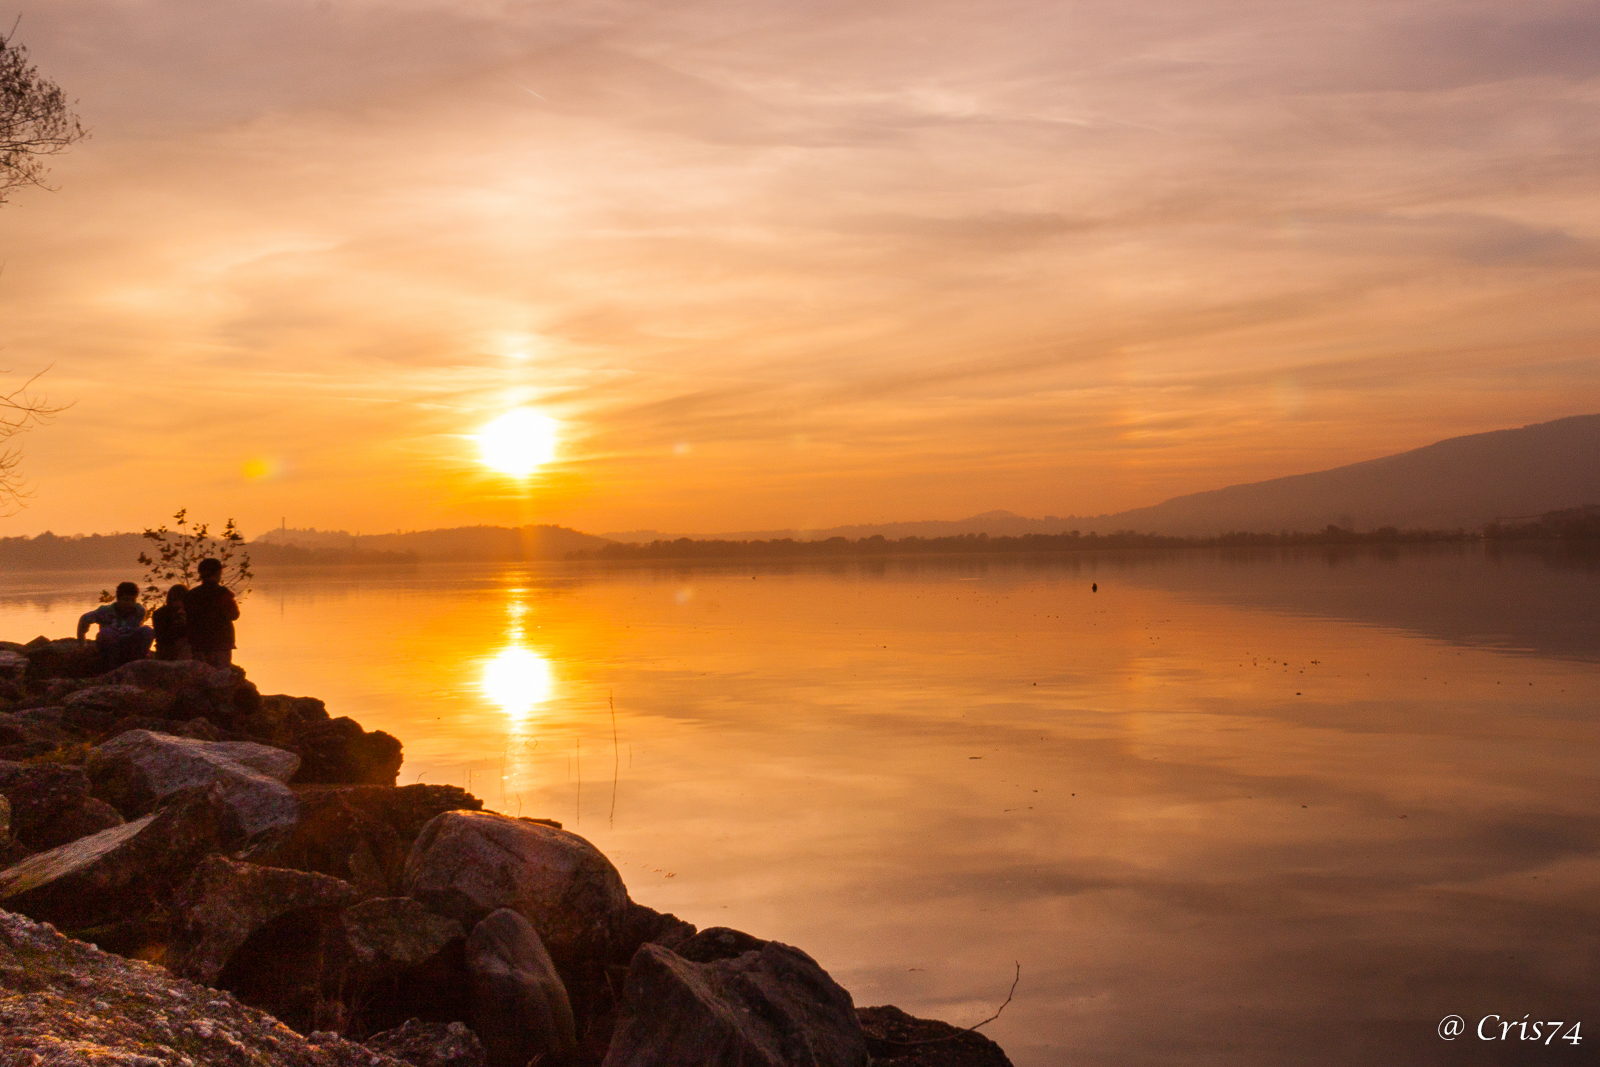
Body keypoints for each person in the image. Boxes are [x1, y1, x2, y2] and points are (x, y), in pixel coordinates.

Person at [77, 581, 154, 667]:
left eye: (132, 600)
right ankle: (111, 666)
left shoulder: (139, 610)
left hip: (130, 643)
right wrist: (82, 644)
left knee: (147, 630)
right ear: (118, 599)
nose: (129, 603)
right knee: (105, 633)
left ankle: (139, 662)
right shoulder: (105, 611)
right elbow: (84, 619)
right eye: (126, 600)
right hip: (111, 644)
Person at [185, 557, 240, 667]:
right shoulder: (224, 593)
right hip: (221, 642)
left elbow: (188, 617)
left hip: (198, 642)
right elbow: (235, 615)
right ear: (218, 573)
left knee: (201, 673)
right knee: (221, 673)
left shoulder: (191, 595)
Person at [150, 584, 190, 660]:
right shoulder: (160, 613)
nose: (178, 603)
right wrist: (178, 621)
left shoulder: (191, 612)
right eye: (175, 600)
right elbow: (163, 637)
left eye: (181, 600)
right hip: (167, 648)